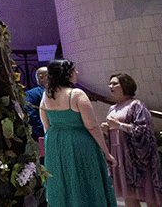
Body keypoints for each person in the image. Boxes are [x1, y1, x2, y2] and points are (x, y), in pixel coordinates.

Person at [40, 59, 117, 207]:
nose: (77, 73)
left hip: (55, 144)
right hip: (78, 142)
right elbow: (93, 127)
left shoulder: (46, 96)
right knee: (85, 182)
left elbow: (46, 125)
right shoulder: (76, 94)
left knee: (62, 183)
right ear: (66, 74)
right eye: (74, 70)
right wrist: (106, 153)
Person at [101, 73, 162, 207]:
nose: (111, 86)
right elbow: (111, 132)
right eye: (110, 84)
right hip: (120, 156)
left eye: (114, 83)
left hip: (137, 159)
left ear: (125, 85)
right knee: (129, 195)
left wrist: (120, 125)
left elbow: (145, 130)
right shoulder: (112, 108)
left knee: (150, 194)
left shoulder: (136, 105)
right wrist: (106, 131)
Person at [25, 66, 48, 141]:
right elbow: (31, 117)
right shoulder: (31, 94)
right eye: (50, 75)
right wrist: (45, 133)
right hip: (42, 137)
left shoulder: (57, 93)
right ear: (41, 77)